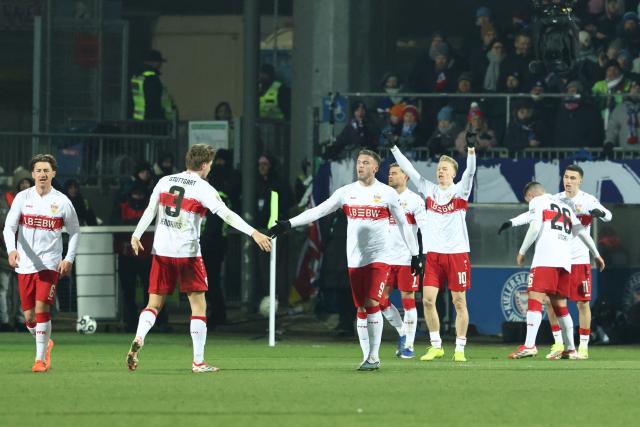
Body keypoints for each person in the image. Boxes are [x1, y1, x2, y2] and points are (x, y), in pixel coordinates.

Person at [268, 149, 421, 371]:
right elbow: (318, 211)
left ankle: (374, 356)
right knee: (360, 308)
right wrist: (289, 224)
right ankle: (366, 355)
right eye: (359, 162)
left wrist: (415, 254)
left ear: (375, 168)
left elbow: (404, 225)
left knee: (372, 303)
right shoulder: (346, 192)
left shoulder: (387, 193)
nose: (360, 166)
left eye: (366, 162)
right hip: (355, 260)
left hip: (380, 258)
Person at [125, 144, 272, 373]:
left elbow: (150, 210)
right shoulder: (203, 188)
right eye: (210, 165)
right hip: (188, 253)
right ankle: (198, 361)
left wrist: (136, 235)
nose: (210, 169)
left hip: (161, 252)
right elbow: (227, 214)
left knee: (153, 304)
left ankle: (139, 338)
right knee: (198, 306)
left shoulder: (165, 181)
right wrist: (253, 232)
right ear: (204, 165)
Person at [499, 165, 612, 359]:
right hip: (565, 259)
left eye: (572, 178)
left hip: (559, 257)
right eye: (566, 177)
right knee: (557, 304)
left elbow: (535, 225)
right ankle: (565, 346)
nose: (568, 181)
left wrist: (522, 251)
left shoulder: (584, 200)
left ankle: (537, 346)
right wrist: (597, 254)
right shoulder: (561, 202)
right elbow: (581, 231)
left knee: (552, 298)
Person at [389, 139, 477, 363]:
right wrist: (394, 148)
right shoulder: (429, 189)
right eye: (438, 169)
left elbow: (471, 171)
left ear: (453, 174)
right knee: (428, 300)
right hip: (434, 255)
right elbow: (408, 169)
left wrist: (471, 150)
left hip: (457, 253)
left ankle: (459, 348)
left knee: (459, 302)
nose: (440, 172)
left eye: (445, 169)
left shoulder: (460, 191)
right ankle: (436, 345)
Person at [2, 154, 80, 372]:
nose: (42, 174)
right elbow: (9, 228)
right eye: (38, 170)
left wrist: (68, 258)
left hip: (49, 263)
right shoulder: (22, 198)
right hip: (25, 265)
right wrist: (12, 250)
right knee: (28, 317)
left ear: (53, 173)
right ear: (33, 174)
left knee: (41, 308)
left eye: (47, 170)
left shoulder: (63, 201)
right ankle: (45, 341)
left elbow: (74, 231)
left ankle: (39, 360)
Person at [381, 163, 428, 359]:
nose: (390, 176)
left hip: (407, 258)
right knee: (380, 300)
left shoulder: (415, 201)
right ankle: (402, 332)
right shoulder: (381, 197)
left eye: (395, 173)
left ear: (406, 176)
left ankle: (408, 345)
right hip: (383, 258)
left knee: (408, 300)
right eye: (389, 173)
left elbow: (425, 229)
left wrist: (423, 255)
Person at [130, 49, 175, 121]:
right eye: (159, 62)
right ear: (153, 62)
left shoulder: (137, 75)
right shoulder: (151, 77)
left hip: (138, 119)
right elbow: (154, 100)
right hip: (151, 119)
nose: (160, 65)